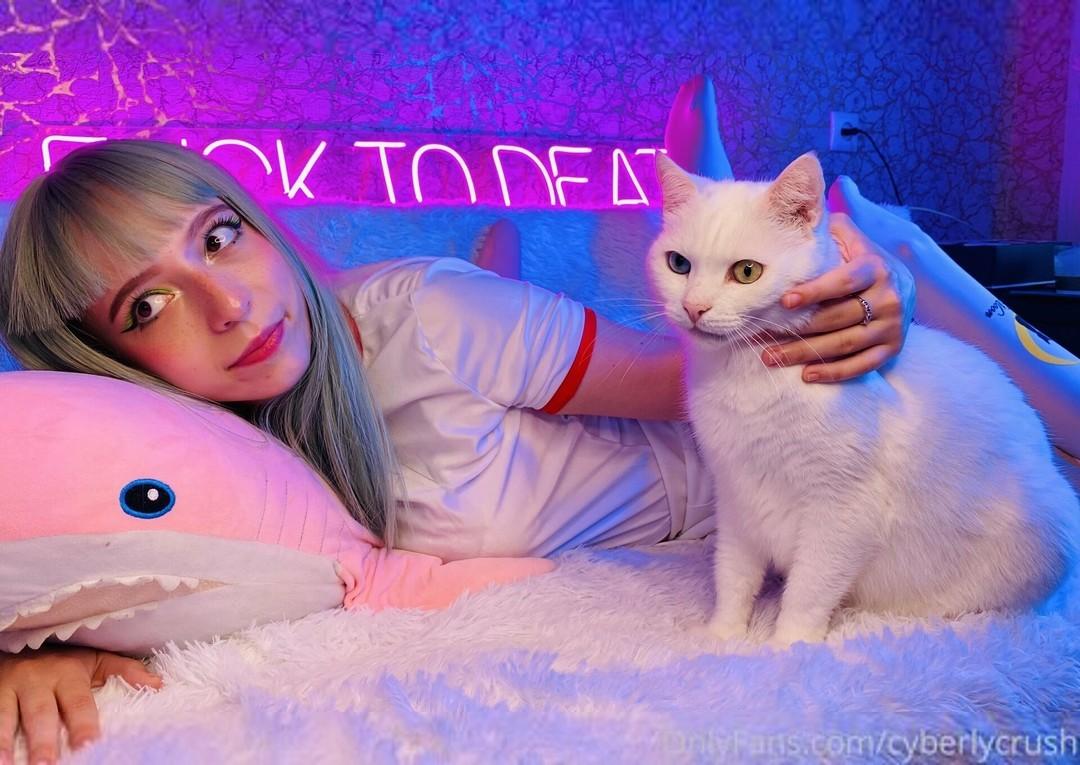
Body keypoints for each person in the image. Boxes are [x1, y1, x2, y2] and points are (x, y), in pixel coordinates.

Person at [0, 78, 1076, 765]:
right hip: (501, 335)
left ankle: (925, 272)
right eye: (147, 304)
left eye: (219, 237)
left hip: (749, 471)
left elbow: (693, 377)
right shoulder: (210, 457)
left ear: (261, 225)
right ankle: (511, 250)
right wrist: (34, 641)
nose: (228, 305)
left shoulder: (431, 321)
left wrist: (851, 304)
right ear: (103, 366)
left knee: (1026, 386)